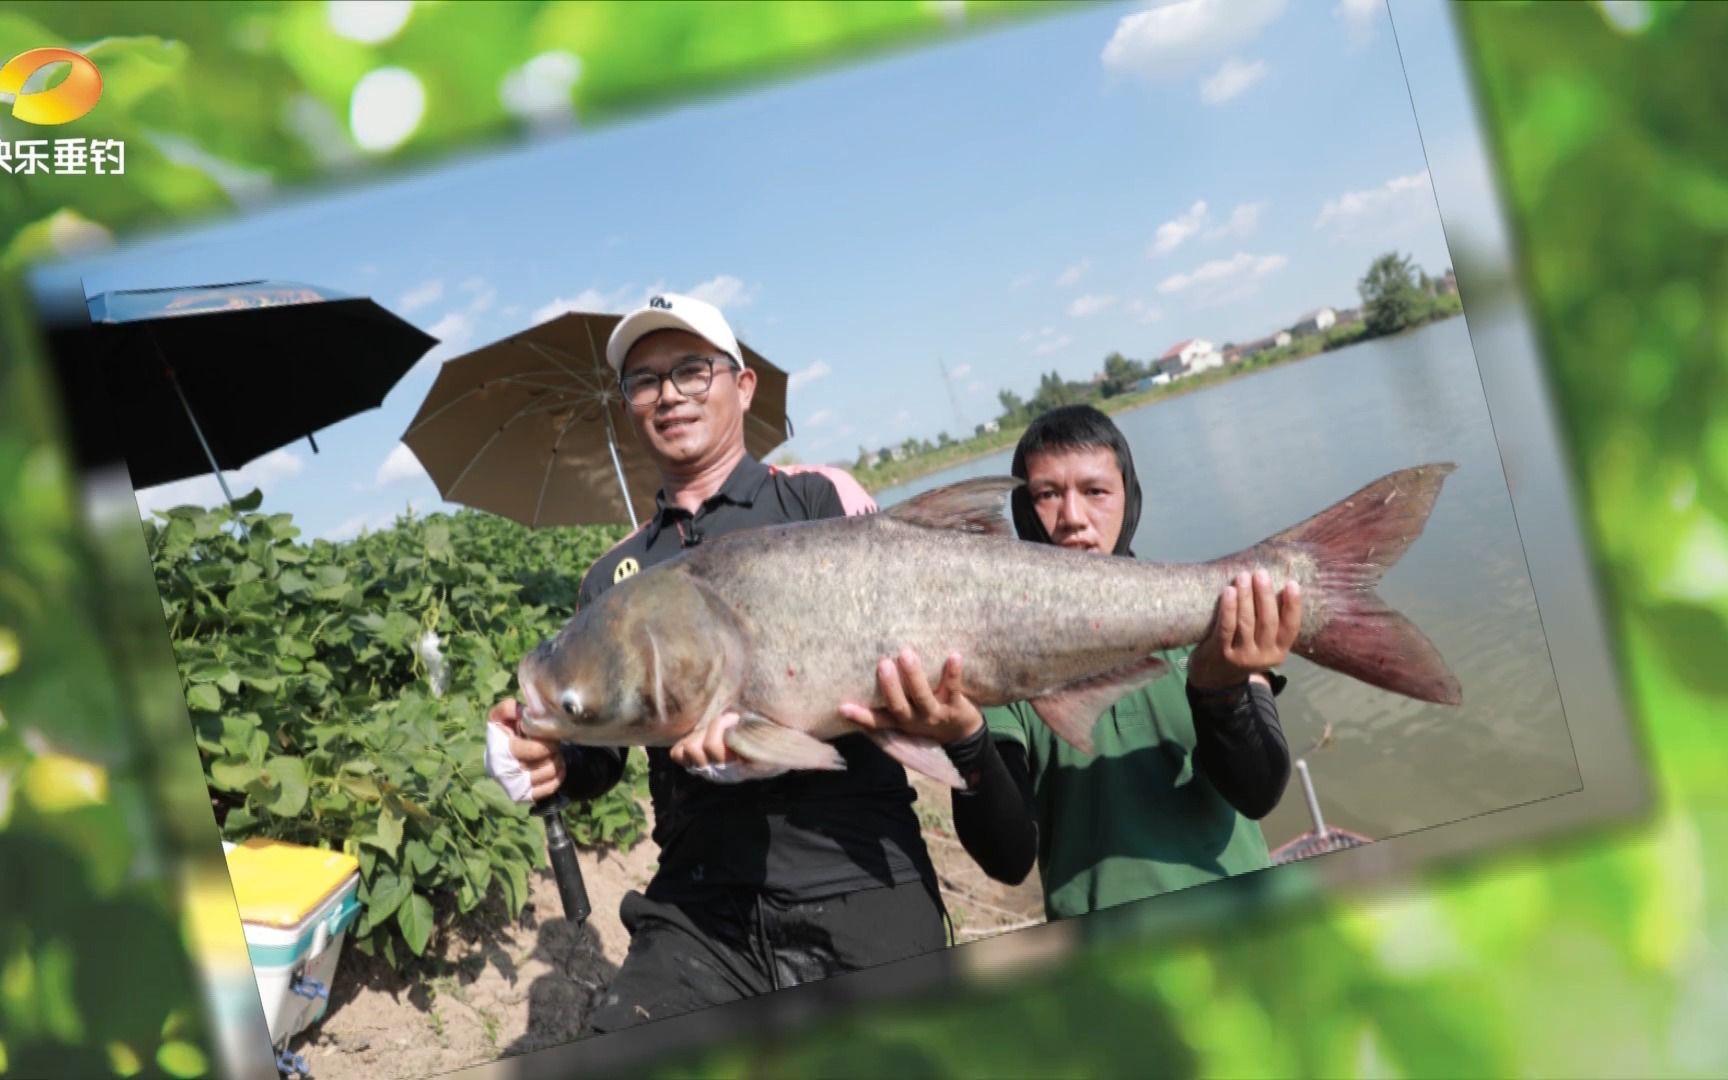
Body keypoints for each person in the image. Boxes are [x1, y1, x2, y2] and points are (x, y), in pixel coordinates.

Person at [482, 293, 946, 1035]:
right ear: (628, 407)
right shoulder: (613, 577)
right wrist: (548, 756)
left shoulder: (820, 499)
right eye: (643, 381)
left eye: (692, 370)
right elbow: (608, 748)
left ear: (743, 385)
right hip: (700, 906)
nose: (668, 394)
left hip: (860, 872)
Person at [839, 404, 1298, 921]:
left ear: (1130, 497)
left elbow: (1260, 793)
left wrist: (1223, 690)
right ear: (1022, 509)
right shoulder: (987, 659)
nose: (1073, 518)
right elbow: (1009, 859)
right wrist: (965, 742)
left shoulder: (1204, 618)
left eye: (1096, 491)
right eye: (1047, 495)